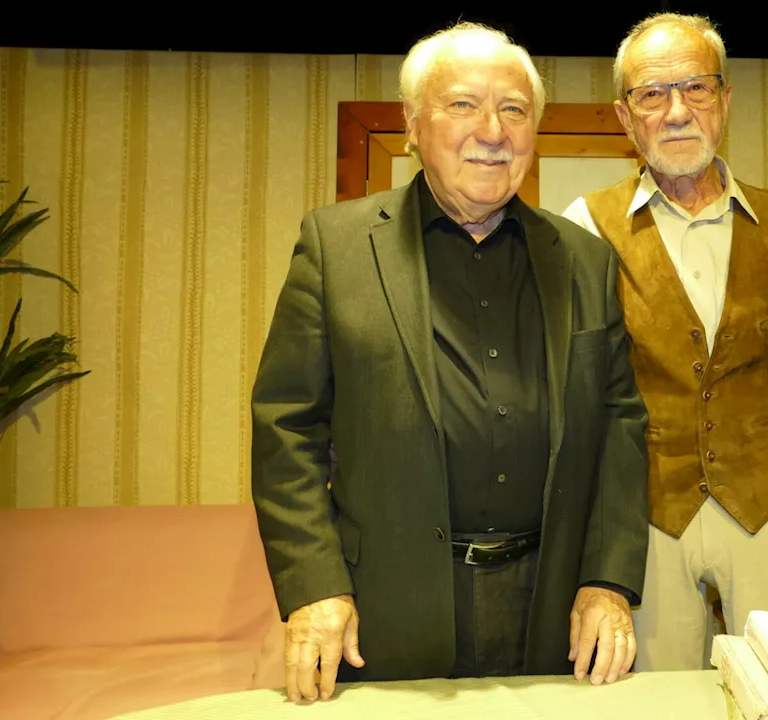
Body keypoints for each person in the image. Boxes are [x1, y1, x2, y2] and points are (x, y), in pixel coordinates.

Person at [250, 21, 649, 702]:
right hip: (386, 612)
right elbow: (286, 428)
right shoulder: (335, 247)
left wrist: (607, 581)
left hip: (552, 615)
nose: (492, 129)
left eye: (515, 110)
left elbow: (620, 426)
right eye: (463, 104)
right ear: (412, 125)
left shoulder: (584, 260)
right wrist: (314, 586)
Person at [561, 13, 768, 672]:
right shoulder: (584, 228)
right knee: (640, 708)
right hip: (644, 518)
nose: (676, 111)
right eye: (652, 94)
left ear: (725, 102)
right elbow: (573, 405)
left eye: (696, 89)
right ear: (626, 118)